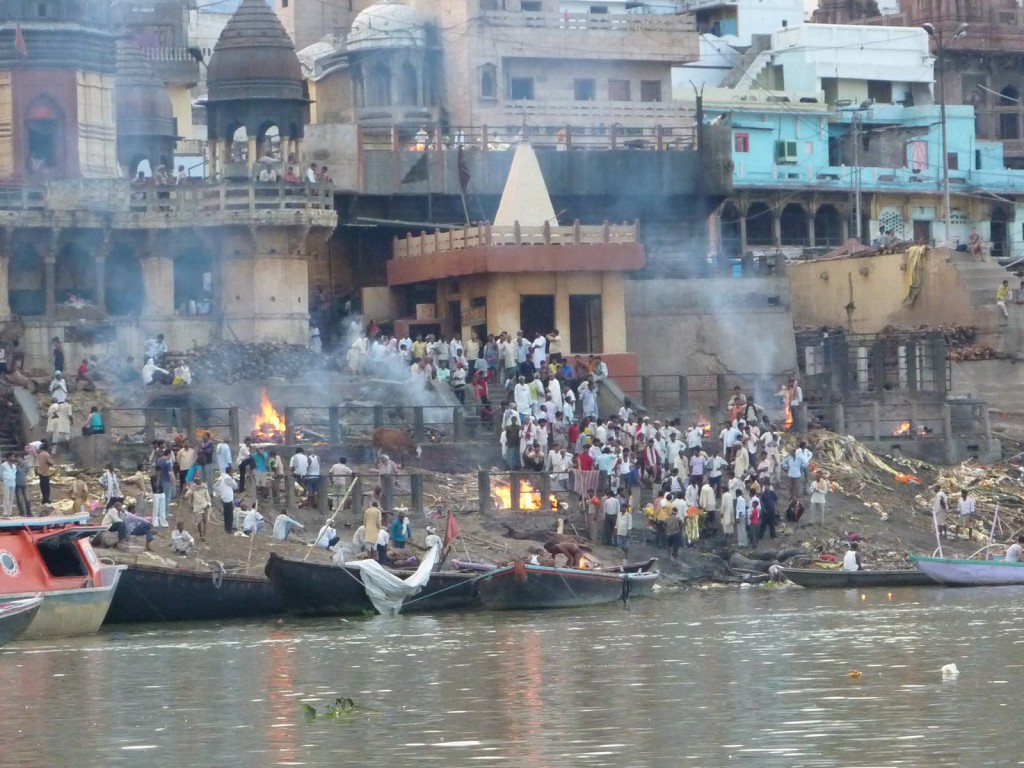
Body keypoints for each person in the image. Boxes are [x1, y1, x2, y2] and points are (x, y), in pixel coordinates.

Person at [184, 477, 211, 541]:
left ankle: (204, 535)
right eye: (197, 480)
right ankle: (200, 534)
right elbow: (186, 495)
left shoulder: (204, 487)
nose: (199, 482)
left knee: (204, 520)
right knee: (198, 521)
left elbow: (208, 497)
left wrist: (208, 504)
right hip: (197, 507)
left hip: (204, 505)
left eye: (199, 480)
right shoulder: (193, 488)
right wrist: (185, 490)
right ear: (195, 481)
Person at [215, 466, 238, 534]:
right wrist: (233, 478)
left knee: (226, 513)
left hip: (224, 497)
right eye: (232, 471)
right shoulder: (228, 478)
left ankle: (227, 528)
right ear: (230, 471)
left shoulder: (223, 477)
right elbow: (235, 486)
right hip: (228, 498)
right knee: (229, 514)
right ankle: (229, 529)